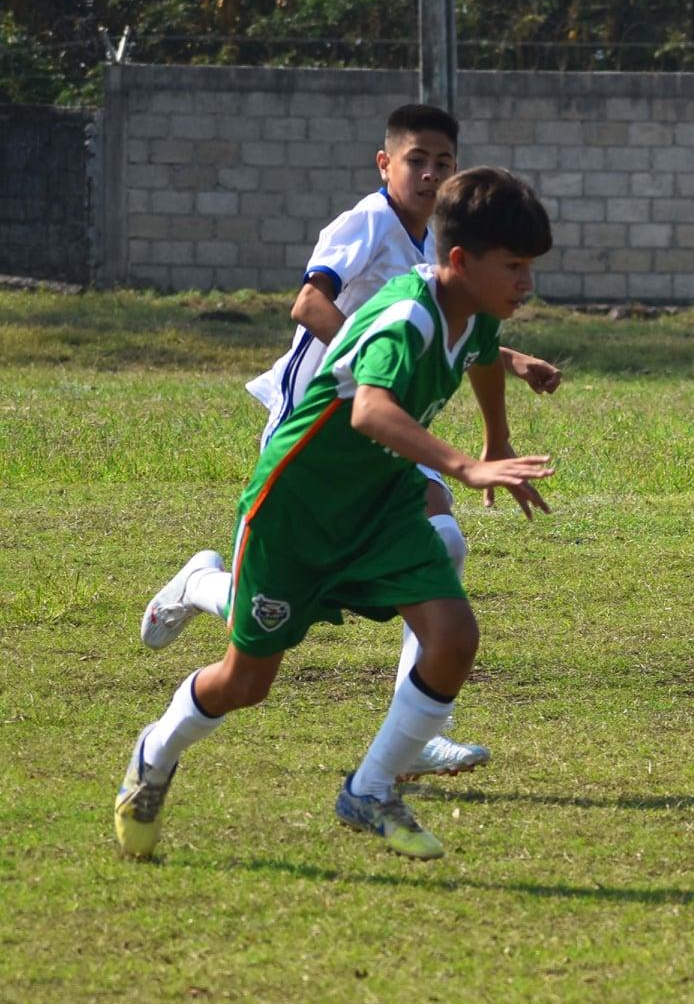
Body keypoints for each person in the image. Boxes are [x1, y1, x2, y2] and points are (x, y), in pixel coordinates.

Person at [115, 167, 556, 860]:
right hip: (299, 510)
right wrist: (466, 466)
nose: (527, 281)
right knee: (247, 681)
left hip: (379, 507)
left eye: (532, 266)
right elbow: (370, 408)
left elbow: (478, 355)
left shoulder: (475, 310)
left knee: (453, 635)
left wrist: (496, 436)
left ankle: (371, 789)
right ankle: (155, 750)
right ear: (463, 261)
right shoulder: (404, 317)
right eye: (516, 266)